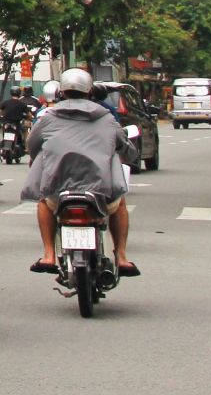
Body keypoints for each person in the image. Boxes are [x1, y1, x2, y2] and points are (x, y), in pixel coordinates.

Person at [20, 69, 141, 278]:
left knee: (44, 202)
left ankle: (48, 254)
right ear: (90, 91)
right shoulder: (106, 118)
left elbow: (31, 145)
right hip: (100, 193)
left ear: (62, 92)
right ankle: (121, 257)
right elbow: (127, 150)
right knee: (119, 202)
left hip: (58, 194)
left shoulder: (48, 118)